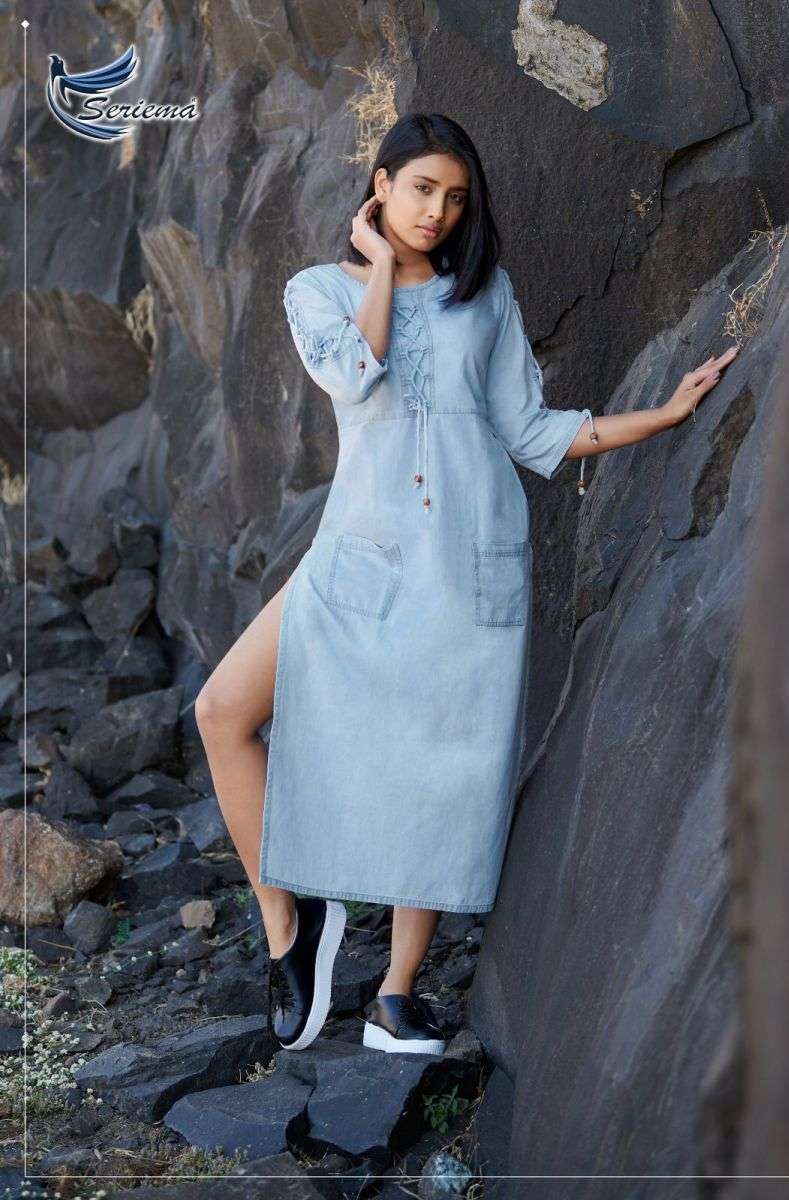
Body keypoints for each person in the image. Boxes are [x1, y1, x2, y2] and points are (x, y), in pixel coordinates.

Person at [195, 112, 739, 1058]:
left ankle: (397, 993)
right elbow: (353, 377)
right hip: (360, 555)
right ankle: (292, 926)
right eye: (420, 190)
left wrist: (662, 414)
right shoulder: (317, 289)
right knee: (221, 711)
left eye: (454, 198)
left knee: (441, 768)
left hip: (467, 560)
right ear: (380, 184)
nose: (437, 212)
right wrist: (375, 263)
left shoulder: (483, 297)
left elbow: (529, 431)